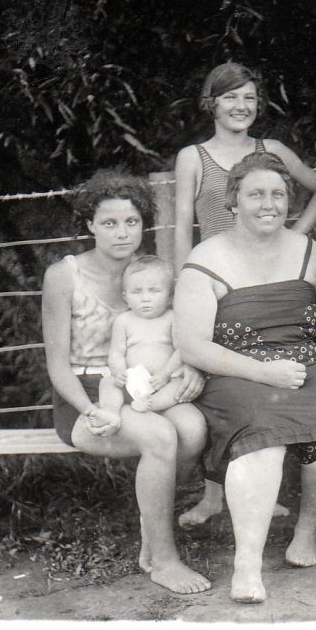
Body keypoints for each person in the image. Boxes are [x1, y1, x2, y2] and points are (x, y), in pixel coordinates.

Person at [174, 152, 316, 604]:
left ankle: (307, 530)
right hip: (236, 372)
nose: (268, 204)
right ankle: (248, 564)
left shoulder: (310, 253)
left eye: (278, 194)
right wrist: (263, 372)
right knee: (264, 438)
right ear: (233, 200)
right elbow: (192, 346)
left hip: (306, 368)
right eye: (255, 194)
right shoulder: (205, 258)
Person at [173, 61, 316, 526]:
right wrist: (184, 285)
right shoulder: (194, 157)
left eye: (249, 97)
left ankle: (263, 488)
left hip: (268, 280)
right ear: (211, 103)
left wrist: (292, 237)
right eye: (230, 97)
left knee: (273, 378)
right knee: (219, 381)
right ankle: (214, 495)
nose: (240, 106)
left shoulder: (273, 151)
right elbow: (182, 226)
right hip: (217, 283)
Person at [41, 169, 211, 595]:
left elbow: (184, 336)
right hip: (86, 395)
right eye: (110, 222)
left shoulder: (154, 274)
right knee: (159, 436)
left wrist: (191, 367)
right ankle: (164, 561)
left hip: (151, 385)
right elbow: (57, 366)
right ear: (90, 225)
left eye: (131, 222)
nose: (122, 233)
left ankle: (151, 524)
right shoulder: (64, 276)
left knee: (193, 429)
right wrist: (91, 410)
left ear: (143, 224)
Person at [97, 256, 183, 415]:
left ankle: (152, 404)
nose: (145, 299)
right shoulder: (124, 320)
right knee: (107, 382)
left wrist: (165, 374)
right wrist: (119, 371)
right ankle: (110, 411)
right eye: (136, 292)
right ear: (125, 297)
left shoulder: (172, 318)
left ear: (170, 296)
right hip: (132, 382)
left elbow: (181, 351)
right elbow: (116, 352)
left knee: (180, 385)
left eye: (154, 291)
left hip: (164, 381)